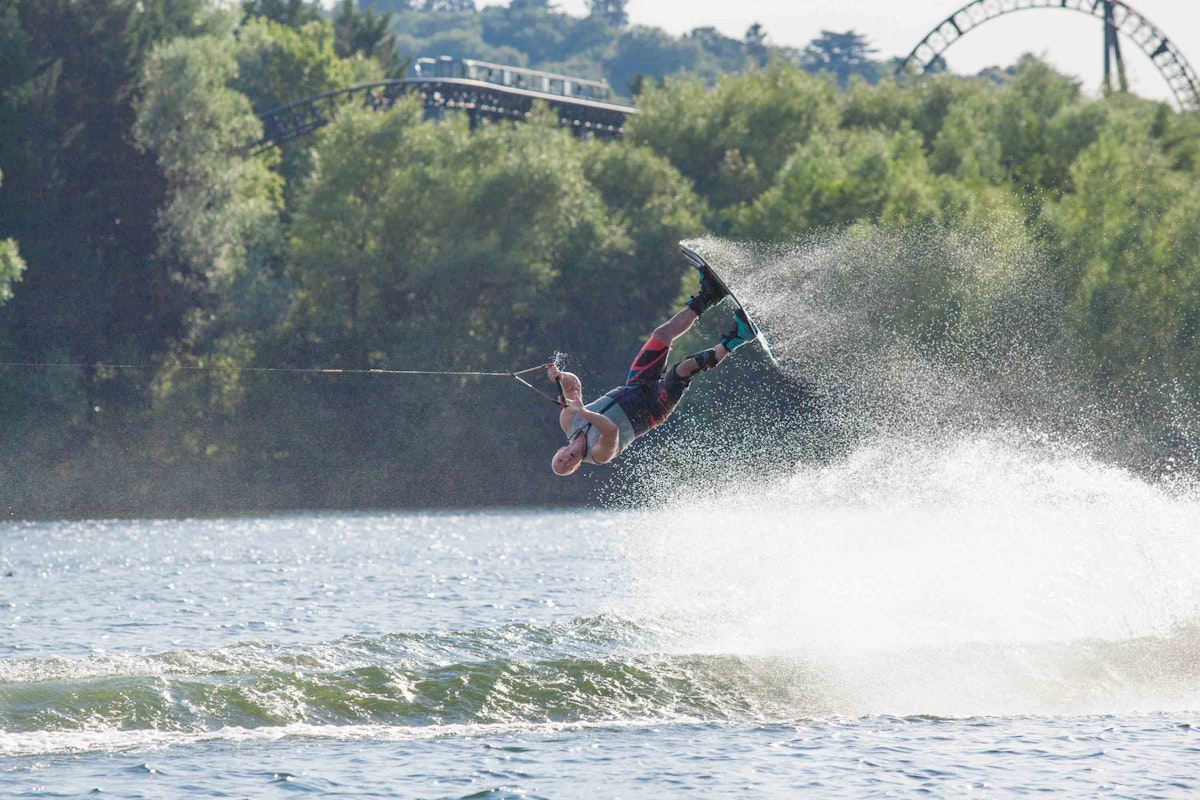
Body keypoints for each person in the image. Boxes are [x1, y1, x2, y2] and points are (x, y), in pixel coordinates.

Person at [548, 250, 757, 476]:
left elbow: (573, 386)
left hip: (636, 384)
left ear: (560, 450)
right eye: (568, 466)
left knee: (661, 336)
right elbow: (610, 430)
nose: (566, 461)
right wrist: (582, 410)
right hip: (654, 408)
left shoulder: (568, 421)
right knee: (682, 370)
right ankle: (739, 337)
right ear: (577, 465)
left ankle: (708, 295)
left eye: (561, 460)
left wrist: (560, 376)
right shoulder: (599, 456)